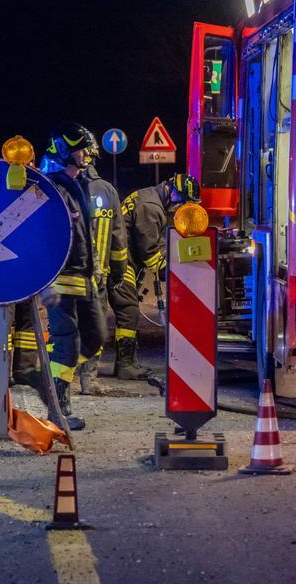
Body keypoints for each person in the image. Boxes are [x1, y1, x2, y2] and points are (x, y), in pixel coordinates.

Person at [40, 123, 107, 431]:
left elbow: (87, 237)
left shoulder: (78, 185)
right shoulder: (52, 189)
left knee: (95, 337)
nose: (87, 155)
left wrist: (96, 273)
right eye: (82, 149)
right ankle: (58, 406)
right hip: (61, 279)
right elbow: (44, 239)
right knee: (67, 342)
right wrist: (46, 283)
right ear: (67, 152)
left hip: (85, 278)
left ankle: (55, 379)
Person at [108, 173, 199, 380]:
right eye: (181, 201)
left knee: (126, 310)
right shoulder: (151, 207)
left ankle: (124, 364)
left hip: (122, 261)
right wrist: (172, 272)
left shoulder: (150, 198)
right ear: (172, 191)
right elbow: (149, 252)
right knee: (128, 311)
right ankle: (126, 365)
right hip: (120, 265)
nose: (180, 206)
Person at [73, 128, 126, 396]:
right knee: (95, 327)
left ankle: (61, 379)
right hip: (98, 277)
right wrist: (118, 273)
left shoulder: (64, 188)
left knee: (66, 327)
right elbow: (118, 239)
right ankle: (89, 379)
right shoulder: (107, 191)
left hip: (66, 275)